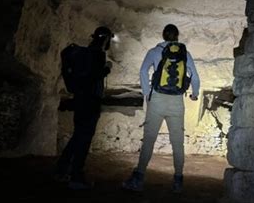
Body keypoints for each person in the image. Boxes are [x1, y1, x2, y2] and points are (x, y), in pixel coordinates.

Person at [122, 24, 200, 193]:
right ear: (177, 36)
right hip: (176, 102)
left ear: (163, 35)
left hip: (157, 99)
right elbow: (195, 77)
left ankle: (139, 178)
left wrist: (147, 93)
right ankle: (178, 180)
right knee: (177, 143)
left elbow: (143, 71)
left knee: (149, 139)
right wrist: (194, 94)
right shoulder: (185, 54)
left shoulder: (154, 52)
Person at [55, 26, 113, 190]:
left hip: (80, 100)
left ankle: (61, 170)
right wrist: (107, 68)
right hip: (90, 102)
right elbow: (94, 77)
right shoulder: (97, 54)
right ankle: (76, 177)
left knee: (78, 136)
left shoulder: (83, 53)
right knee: (84, 139)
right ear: (106, 39)